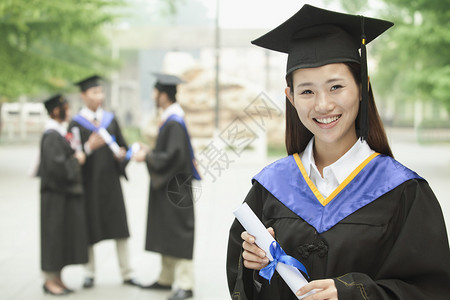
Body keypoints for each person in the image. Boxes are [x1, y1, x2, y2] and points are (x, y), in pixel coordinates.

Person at [226, 4, 450, 300]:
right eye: (307, 91)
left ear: (362, 88)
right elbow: (241, 282)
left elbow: (431, 290)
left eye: (335, 87)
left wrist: (353, 293)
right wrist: (256, 267)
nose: (322, 105)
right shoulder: (270, 188)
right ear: (290, 97)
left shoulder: (403, 192)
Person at [68, 75, 140, 288]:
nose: (99, 96)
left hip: (111, 184)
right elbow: (71, 156)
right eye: (94, 92)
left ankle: (127, 272)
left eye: (101, 92)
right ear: (83, 95)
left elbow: (123, 147)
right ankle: (89, 272)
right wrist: (89, 147)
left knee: (120, 228)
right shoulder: (76, 123)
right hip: (89, 184)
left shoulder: (110, 119)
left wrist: (122, 155)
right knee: (89, 227)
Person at [134, 73, 201, 300]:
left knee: (179, 232)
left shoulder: (174, 122)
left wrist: (148, 156)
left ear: (163, 95)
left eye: (155, 92)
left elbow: (173, 156)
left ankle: (185, 283)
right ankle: (166, 278)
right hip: (171, 186)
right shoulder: (171, 119)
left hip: (175, 188)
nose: (153, 96)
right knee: (167, 230)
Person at [38, 94, 88, 295]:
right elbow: (57, 167)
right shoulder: (51, 135)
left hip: (61, 196)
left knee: (61, 237)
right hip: (54, 197)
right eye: (66, 107)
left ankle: (58, 278)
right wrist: (77, 160)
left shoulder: (57, 132)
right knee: (53, 237)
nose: (69, 111)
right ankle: (49, 281)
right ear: (56, 110)